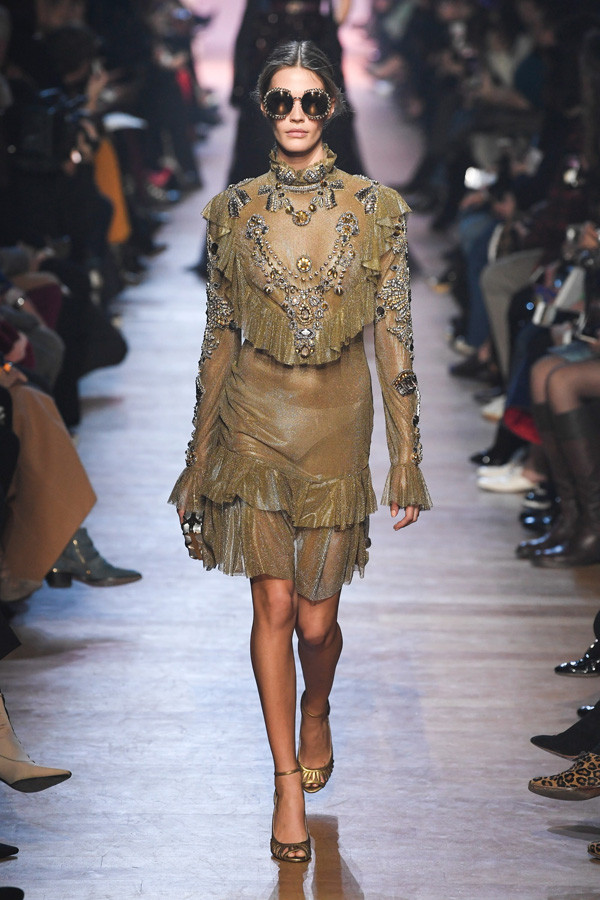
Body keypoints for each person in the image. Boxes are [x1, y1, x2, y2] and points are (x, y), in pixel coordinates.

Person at [170, 41, 431, 863]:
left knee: (317, 622)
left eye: (310, 100)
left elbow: (394, 333)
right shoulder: (234, 210)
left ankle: (317, 707)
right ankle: (285, 779)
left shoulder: (376, 208)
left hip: (335, 428)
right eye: (281, 100)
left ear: (332, 108)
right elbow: (218, 338)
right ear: (262, 107)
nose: (295, 114)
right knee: (274, 609)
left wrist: (406, 453)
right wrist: (196, 458)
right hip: (252, 422)